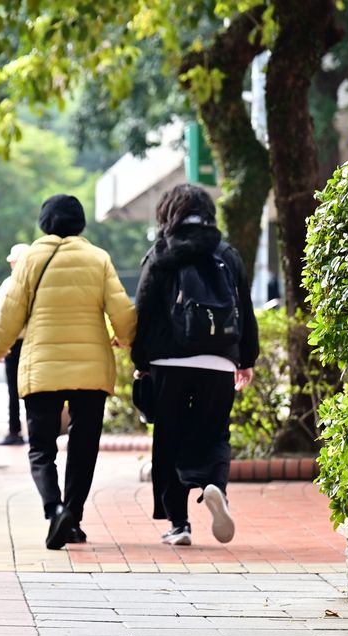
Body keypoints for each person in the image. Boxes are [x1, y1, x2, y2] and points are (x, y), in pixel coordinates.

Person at [0, 195, 136, 550]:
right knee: (84, 447)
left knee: (41, 447)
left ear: (44, 223)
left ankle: (55, 509)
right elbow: (122, 309)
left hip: (42, 367)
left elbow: (10, 311)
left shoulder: (30, 259)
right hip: (91, 369)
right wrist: (126, 339)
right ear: (80, 224)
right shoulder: (98, 258)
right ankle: (73, 519)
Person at [132, 184, 258, 547]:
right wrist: (245, 359)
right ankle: (214, 485)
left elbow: (144, 310)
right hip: (219, 360)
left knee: (168, 438)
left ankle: (179, 524)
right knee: (215, 433)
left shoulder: (160, 253)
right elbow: (245, 310)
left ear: (168, 213)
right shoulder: (228, 255)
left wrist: (141, 362)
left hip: (168, 361)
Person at [0, 243, 32, 446]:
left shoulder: (9, 284)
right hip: (35, 343)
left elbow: (0, 317)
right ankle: (35, 430)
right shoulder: (38, 283)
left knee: (13, 391)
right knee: (34, 389)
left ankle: (15, 431)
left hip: (14, 345)